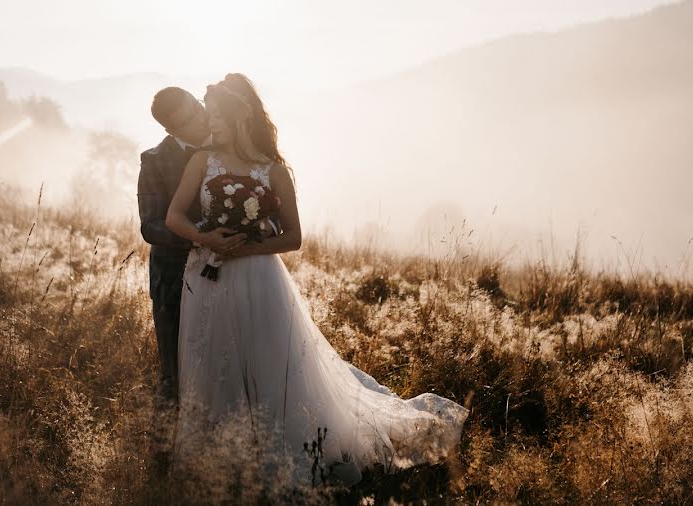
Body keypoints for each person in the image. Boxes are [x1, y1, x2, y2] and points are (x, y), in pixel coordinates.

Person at [165, 73, 468, 485]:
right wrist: (207, 238)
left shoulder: (273, 172)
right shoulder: (202, 160)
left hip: (259, 278)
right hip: (208, 277)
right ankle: (214, 464)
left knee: (270, 364)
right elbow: (174, 217)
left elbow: (294, 237)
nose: (210, 124)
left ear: (239, 118)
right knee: (213, 364)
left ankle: (275, 456)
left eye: (217, 117)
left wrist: (246, 247)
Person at [137, 87, 244, 402]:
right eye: (189, 120)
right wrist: (200, 238)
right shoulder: (154, 161)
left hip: (233, 269)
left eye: (198, 109)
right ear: (172, 130)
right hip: (175, 277)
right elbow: (150, 225)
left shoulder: (231, 143)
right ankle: (172, 440)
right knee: (178, 370)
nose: (202, 120)